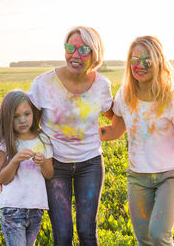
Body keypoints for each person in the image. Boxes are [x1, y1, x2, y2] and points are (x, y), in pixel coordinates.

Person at [27, 26, 113, 245]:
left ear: (95, 54)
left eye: (84, 50)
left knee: (86, 231)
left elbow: (116, 117)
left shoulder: (102, 85)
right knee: (63, 235)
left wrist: (101, 134)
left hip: (90, 164)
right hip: (55, 166)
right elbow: (25, 123)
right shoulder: (43, 84)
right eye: (70, 48)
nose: (75, 55)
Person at [100, 36, 174, 246]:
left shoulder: (170, 97)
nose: (139, 66)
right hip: (138, 178)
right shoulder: (125, 95)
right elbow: (114, 131)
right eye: (134, 60)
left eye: (146, 60)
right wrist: (78, 135)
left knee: (159, 235)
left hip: (170, 176)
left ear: (158, 62)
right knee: (144, 239)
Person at [0, 90, 54, 246]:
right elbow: (3, 178)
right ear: (7, 118)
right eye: (15, 117)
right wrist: (15, 160)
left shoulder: (43, 139)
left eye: (27, 114)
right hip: (13, 208)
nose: (22, 120)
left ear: (34, 113)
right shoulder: (5, 143)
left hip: (36, 207)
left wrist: (43, 162)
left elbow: (49, 174)